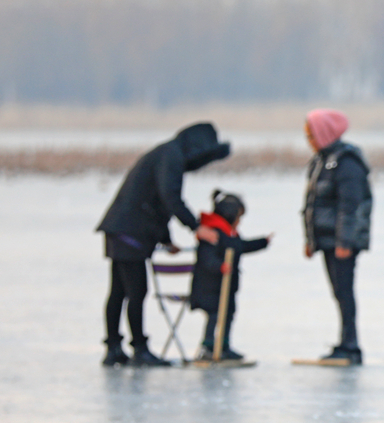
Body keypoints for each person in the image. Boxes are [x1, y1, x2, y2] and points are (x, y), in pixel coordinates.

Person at [97, 122, 230, 367]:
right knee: (135, 292)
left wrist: (166, 240)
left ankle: (114, 347)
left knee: (118, 292)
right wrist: (195, 226)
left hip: (119, 228)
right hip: (130, 232)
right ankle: (139, 348)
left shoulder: (167, 153)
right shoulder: (172, 156)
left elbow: (155, 200)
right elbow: (170, 197)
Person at [301, 109, 372, 366]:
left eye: (311, 135)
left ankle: (350, 345)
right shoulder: (322, 160)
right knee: (338, 292)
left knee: (344, 292)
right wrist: (311, 239)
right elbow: (313, 203)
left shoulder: (347, 162)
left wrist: (345, 242)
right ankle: (345, 342)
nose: (309, 140)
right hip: (327, 240)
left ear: (324, 132)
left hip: (342, 243)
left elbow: (349, 206)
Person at [189, 190, 272, 361]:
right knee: (214, 315)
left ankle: (224, 345)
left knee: (228, 315)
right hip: (209, 287)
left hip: (227, 288)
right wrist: (220, 266)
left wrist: (263, 242)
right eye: (238, 217)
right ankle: (208, 346)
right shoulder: (212, 234)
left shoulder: (229, 235)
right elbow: (206, 258)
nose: (240, 222)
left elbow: (241, 246)